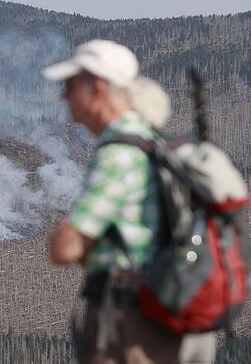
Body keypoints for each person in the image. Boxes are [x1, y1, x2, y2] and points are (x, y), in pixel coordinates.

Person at [42, 40, 215, 364]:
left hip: (128, 322)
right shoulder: (150, 140)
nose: (63, 96)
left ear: (98, 87)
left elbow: (65, 250)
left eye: (70, 85)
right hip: (156, 310)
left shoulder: (118, 154)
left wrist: (64, 236)